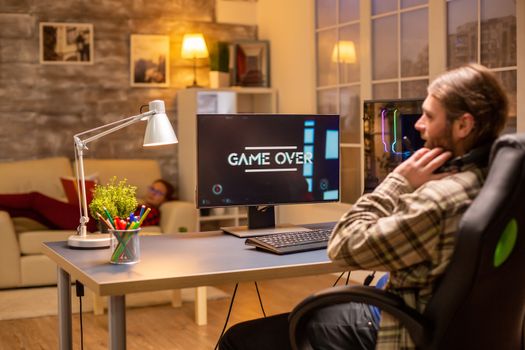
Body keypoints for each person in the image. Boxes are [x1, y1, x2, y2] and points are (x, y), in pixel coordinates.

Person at [218, 63, 509, 350]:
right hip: (463, 332)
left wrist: (397, 181)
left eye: (429, 116)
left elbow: (343, 246)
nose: (418, 124)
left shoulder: (440, 201)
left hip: (401, 331)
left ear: (463, 125)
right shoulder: (501, 185)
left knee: (239, 337)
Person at [0, 179, 175, 232]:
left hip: (91, 223)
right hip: (88, 214)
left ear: (165, 200)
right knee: (31, 213)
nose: (153, 193)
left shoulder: (151, 212)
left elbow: (127, 226)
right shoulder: (133, 201)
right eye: (152, 188)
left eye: (159, 192)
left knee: (35, 199)